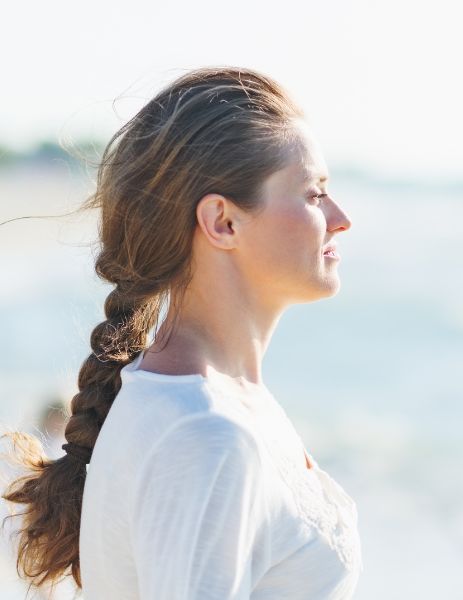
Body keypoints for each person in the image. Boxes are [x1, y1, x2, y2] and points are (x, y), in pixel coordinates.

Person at [0, 66, 362, 599]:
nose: (341, 217)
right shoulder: (206, 435)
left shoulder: (199, 400)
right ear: (222, 222)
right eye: (314, 194)